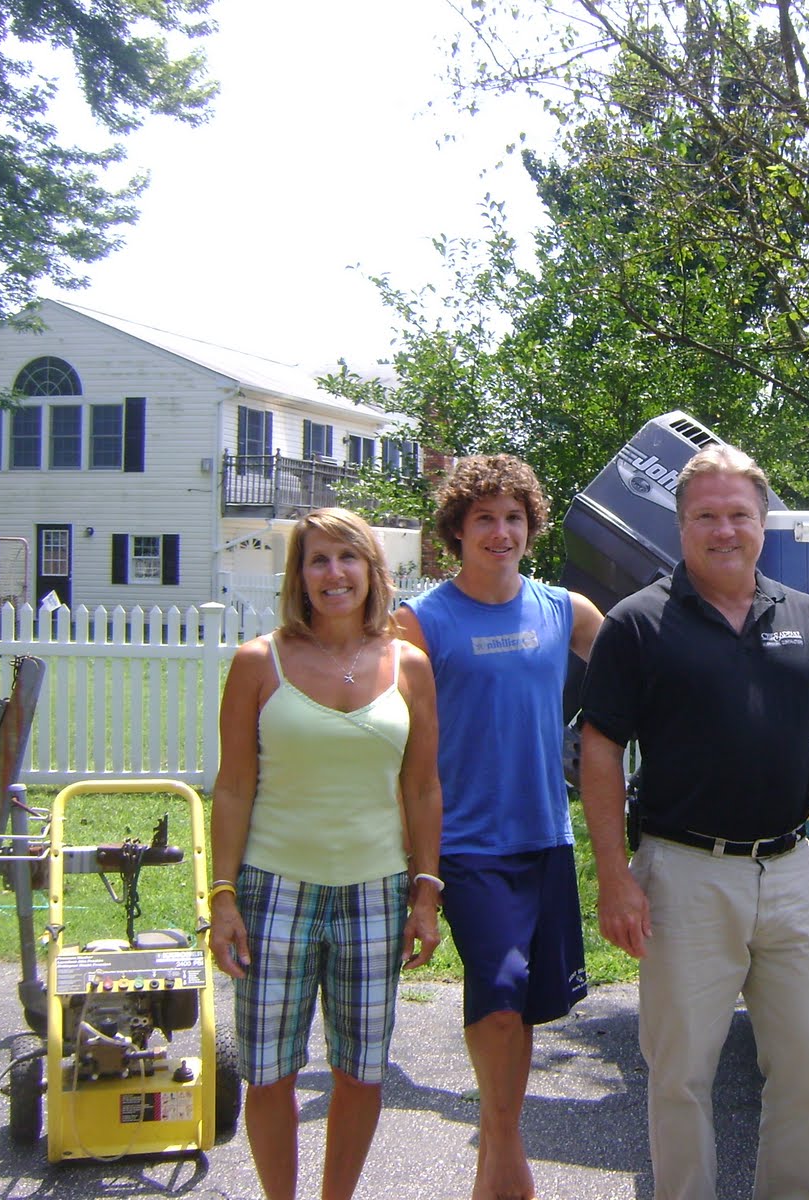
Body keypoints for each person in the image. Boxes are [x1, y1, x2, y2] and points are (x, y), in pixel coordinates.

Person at [579, 443, 809, 1200]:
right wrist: (612, 877)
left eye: (739, 514)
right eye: (706, 515)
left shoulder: (808, 619)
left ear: (764, 522)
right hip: (684, 874)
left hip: (793, 873)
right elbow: (599, 750)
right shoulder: (638, 625)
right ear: (680, 525)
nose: (724, 529)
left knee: (807, 1065)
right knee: (681, 1075)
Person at [210, 507, 443, 1200]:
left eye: (348, 558)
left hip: (374, 894)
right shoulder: (260, 662)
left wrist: (425, 893)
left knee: (361, 1070)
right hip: (272, 891)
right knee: (270, 1071)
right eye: (318, 560)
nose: (333, 574)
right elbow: (231, 788)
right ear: (299, 575)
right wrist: (222, 898)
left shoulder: (411, 666)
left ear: (373, 571)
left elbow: (424, 787)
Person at [394, 454, 603, 1200]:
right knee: (501, 990)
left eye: (514, 516)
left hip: (545, 836)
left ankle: (497, 1151)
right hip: (465, 844)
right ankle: (506, 1149)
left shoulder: (561, 611)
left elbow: (633, 673)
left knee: (529, 1005)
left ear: (531, 527)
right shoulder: (421, 621)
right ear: (456, 528)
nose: (501, 530)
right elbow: (394, 742)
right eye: (484, 517)